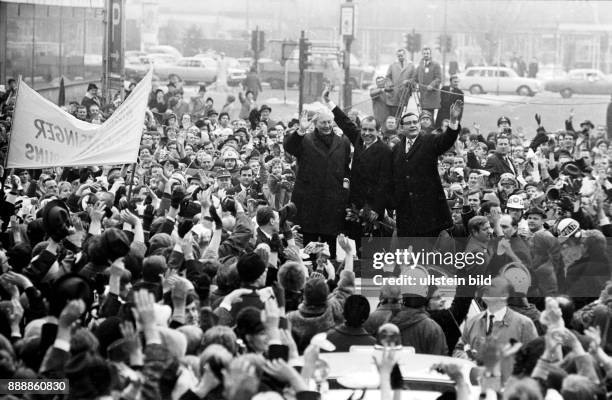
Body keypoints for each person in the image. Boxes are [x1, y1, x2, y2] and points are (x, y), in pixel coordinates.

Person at [322, 89, 392, 244]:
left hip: (372, 207)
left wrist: (376, 208)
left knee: (371, 246)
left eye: (371, 130)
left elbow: (385, 182)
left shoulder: (385, 151)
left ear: (378, 131)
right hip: (354, 201)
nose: (366, 133)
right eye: (364, 129)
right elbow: (345, 122)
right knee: (352, 241)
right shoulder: (359, 140)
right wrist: (329, 102)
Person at [284, 106, 351, 258]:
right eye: (323, 123)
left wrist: (345, 195)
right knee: (309, 251)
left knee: (330, 252)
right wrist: (300, 131)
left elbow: (346, 172)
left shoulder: (343, 142)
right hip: (309, 205)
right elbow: (289, 147)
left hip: (333, 206)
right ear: (315, 124)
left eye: (329, 122)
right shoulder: (305, 140)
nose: (327, 126)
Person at [390, 99, 463, 239]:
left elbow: (446, 140)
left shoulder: (429, 141)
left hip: (429, 212)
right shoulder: (396, 149)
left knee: (428, 256)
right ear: (401, 128)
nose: (412, 125)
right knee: (409, 256)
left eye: (415, 122)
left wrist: (453, 121)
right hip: (406, 214)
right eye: (408, 123)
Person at [385, 49, 415, 118]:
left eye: (401, 55)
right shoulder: (392, 65)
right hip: (394, 94)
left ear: (405, 55)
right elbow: (387, 77)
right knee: (393, 114)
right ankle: (394, 127)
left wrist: (408, 81)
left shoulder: (411, 65)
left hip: (404, 93)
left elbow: (414, 78)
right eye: (398, 56)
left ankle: (399, 126)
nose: (400, 57)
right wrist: (389, 83)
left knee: (402, 114)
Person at [414, 46, 442, 119]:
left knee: (429, 116)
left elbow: (439, 78)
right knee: (423, 116)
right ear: (422, 54)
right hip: (423, 96)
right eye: (424, 53)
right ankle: (424, 130)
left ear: (430, 54)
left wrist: (432, 85)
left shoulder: (436, 65)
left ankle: (429, 129)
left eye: (427, 53)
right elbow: (415, 78)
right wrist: (410, 82)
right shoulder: (420, 65)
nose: (426, 55)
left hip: (431, 95)